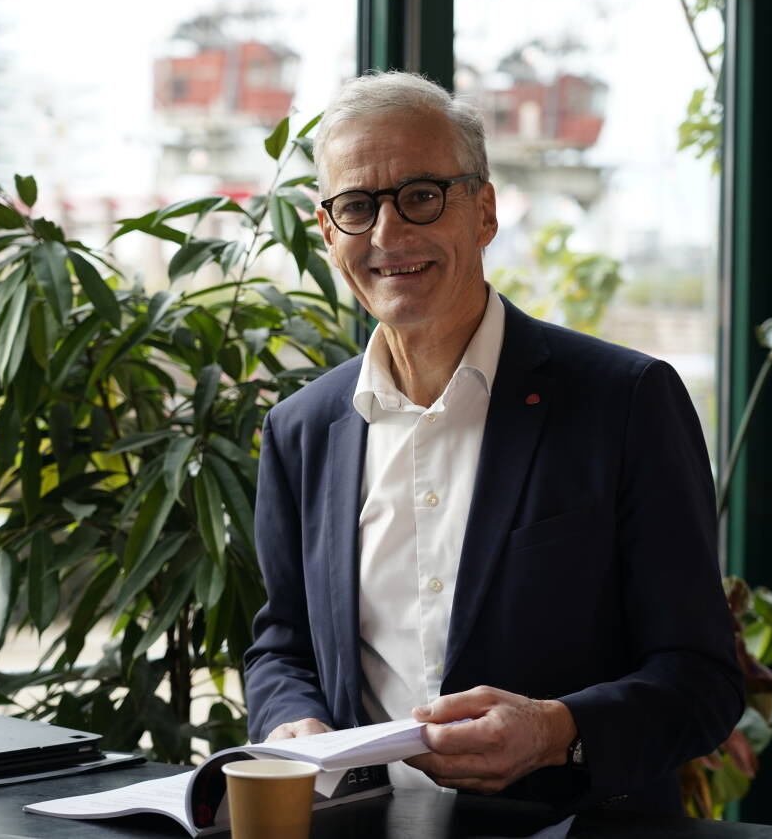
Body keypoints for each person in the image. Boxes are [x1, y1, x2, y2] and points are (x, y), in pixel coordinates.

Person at [242, 70, 743, 814]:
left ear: (484, 210)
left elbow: (703, 676)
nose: (387, 235)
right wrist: (293, 725)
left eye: (420, 195)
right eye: (356, 206)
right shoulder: (300, 430)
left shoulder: (626, 402)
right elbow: (282, 644)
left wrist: (557, 732)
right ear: (327, 232)